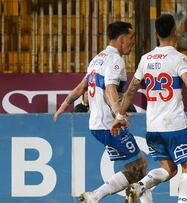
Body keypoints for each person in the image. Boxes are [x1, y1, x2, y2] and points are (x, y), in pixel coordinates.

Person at [111, 14, 187, 203]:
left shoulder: (146, 59)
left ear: (156, 33)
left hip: (153, 126)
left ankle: (139, 185)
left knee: (169, 169)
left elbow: (132, 90)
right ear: (175, 31)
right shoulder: (179, 58)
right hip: (174, 124)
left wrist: (119, 114)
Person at [53, 21, 152, 203]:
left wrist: (63, 105)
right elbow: (110, 90)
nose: (133, 42)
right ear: (122, 40)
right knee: (140, 165)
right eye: (131, 38)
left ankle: (96, 196)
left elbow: (80, 87)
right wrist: (118, 115)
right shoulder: (115, 60)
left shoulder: (97, 58)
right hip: (109, 125)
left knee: (136, 168)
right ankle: (95, 196)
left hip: (97, 125)